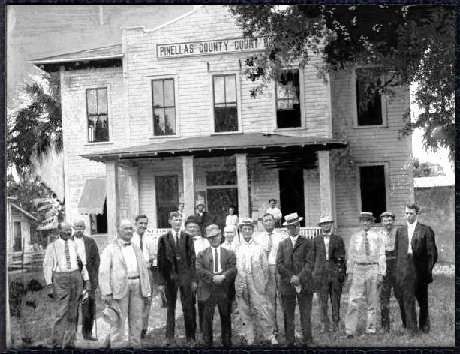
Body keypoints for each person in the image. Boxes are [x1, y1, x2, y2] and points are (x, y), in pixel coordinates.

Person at [98, 219, 151, 348]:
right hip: (119, 289)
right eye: (125, 229)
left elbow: (143, 270)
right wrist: (106, 292)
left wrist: (147, 290)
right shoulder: (110, 249)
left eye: (130, 229)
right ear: (118, 231)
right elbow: (103, 272)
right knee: (118, 320)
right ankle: (116, 345)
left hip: (137, 285)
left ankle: (135, 344)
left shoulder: (136, 248)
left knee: (137, 319)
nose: (129, 231)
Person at [43, 222, 90, 348]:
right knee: (61, 312)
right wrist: (49, 284)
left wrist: (86, 280)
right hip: (60, 279)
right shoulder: (52, 246)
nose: (69, 233)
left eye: (70, 230)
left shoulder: (74, 245)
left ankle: (70, 343)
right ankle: (57, 343)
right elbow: (47, 266)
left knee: (73, 313)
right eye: (65, 230)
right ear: (59, 231)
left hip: (75, 277)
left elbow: (82, 264)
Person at [394, 203, 437, 334]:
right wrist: (399, 271)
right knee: (407, 298)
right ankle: (411, 329)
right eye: (406, 213)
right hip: (405, 269)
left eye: (411, 213)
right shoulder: (400, 231)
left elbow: (432, 253)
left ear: (416, 214)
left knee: (423, 301)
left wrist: (427, 270)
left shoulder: (425, 230)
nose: (408, 216)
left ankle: (424, 327)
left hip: (420, 269)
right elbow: (397, 253)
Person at [158, 211, 197, 346]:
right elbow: (161, 261)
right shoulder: (163, 239)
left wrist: (193, 280)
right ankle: (169, 337)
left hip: (185, 277)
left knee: (188, 307)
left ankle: (190, 338)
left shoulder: (188, 238)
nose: (178, 222)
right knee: (171, 308)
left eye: (180, 220)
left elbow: (192, 259)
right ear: (170, 221)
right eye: (175, 220)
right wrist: (161, 282)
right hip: (170, 278)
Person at [344, 212, 386, 338]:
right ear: (360, 222)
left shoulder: (378, 237)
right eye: (363, 221)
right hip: (358, 269)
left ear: (372, 222)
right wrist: (350, 272)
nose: (366, 223)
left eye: (368, 221)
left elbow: (382, 255)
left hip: (372, 268)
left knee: (372, 300)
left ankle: (371, 328)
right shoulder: (354, 237)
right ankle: (350, 330)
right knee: (353, 300)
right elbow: (350, 256)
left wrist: (381, 273)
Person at [276, 212, 315, 346]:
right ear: (287, 228)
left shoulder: (308, 243)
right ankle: (289, 340)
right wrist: (291, 277)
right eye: (291, 226)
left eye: (297, 225)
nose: (294, 228)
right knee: (288, 314)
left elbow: (310, 264)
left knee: (305, 313)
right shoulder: (282, 244)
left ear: (299, 226)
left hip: (304, 283)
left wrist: (299, 277)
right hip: (287, 284)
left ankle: (308, 340)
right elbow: (279, 265)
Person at [196, 224, 237, 346]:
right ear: (207, 239)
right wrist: (213, 277)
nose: (213, 239)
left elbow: (233, 268)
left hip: (224, 289)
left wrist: (223, 276)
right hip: (208, 289)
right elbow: (199, 269)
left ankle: (226, 341)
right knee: (207, 318)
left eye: (215, 236)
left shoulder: (229, 253)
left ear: (220, 236)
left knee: (225, 316)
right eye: (210, 237)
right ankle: (207, 342)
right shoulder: (201, 254)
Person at [235, 217, 272, 345]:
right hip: (242, 280)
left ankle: (267, 335)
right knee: (243, 310)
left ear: (252, 231)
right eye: (244, 229)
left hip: (256, 281)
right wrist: (239, 282)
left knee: (261, 308)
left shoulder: (259, 248)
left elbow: (265, 268)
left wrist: (262, 284)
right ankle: (248, 336)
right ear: (241, 231)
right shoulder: (238, 248)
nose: (247, 231)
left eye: (249, 229)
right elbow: (235, 267)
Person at [254, 213, 287, 344]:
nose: (268, 223)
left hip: (279, 269)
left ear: (274, 222)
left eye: (270, 220)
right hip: (266, 271)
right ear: (262, 223)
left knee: (283, 299)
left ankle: (287, 328)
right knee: (269, 301)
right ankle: (273, 330)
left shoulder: (281, 236)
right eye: (266, 221)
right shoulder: (258, 238)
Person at [312, 216, 346, 333]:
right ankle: (324, 324)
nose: (326, 225)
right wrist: (314, 274)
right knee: (323, 301)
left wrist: (341, 273)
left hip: (334, 272)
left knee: (335, 300)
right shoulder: (315, 240)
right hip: (320, 274)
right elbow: (312, 258)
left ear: (331, 224)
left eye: (328, 223)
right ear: (320, 226)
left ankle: (336, 323)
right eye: (324, 223)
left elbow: (342, 257)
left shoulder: (338, 239)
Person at [131, 214, 160, 339]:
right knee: (134, 300)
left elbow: (153, 256)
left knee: (147, 299)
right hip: (134, 272)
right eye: (140, 223)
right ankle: (134, 327)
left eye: (145, 223)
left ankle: (143, 328)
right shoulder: (130, 238)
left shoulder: (150, 238)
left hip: (147, 272)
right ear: (135, 224)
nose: (143, 225)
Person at [72, 219, 100, 341]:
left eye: (81, 227)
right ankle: (72, 334)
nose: (79, 229)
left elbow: (96, 260)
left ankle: (87, 333)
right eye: (77, 227)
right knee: (73, 307)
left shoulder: (90, 242)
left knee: (89, 308)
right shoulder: (68, 241)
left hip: (88, 279)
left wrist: (93, 275)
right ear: (73, 227)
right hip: (73, 278)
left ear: (84, 228)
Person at [379, 211, 403, 332]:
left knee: (401, 296)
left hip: (396, 266)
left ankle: (406, 324)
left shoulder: (399, 233)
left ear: (393, 221)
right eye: (385, 220)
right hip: (384, 268)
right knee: (384, 298)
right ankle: (385, 326)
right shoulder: (378, 235)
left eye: (390, 220)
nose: (388, 222)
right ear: (382, 222)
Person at [185, 214, 208, 336]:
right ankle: (191, 330)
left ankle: (204, 329)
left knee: (203, 302)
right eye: (189, 227)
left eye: (194, 227)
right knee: (189, 304)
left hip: (201, 278)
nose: (192, 229)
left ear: (198, 228)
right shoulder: (182, 242)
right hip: (187, 278)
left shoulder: (204, 242)